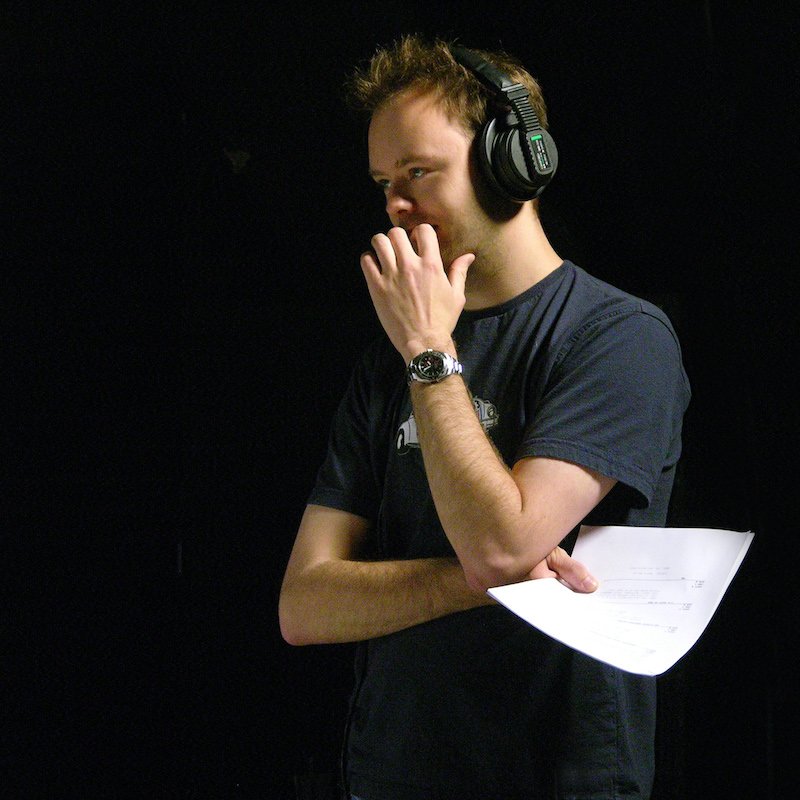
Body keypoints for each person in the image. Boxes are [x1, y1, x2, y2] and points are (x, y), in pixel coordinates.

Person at [279, 34, 690, 800]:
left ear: (514, 164)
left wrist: (432, 350)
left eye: (419, 172)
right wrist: (473, 583)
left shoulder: (617, 337)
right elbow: (304, 605)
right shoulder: (386, 362)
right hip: (392, 777)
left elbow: (501, 547)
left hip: (557, 778)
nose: (396, 205)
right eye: (383, 181)